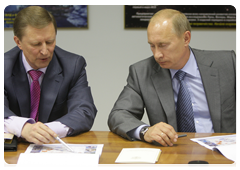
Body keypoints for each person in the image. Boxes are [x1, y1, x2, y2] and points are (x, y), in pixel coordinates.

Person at [108, 9, 238, 147]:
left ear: (186, 38)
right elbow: (119, 114)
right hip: (173, 152)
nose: (157, 54)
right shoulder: (142, 73)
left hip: (224, 150)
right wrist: (145, 131)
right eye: (152, 46)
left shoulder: (226, 64)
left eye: (163, 45)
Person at [4, 6, 97, 145]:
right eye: (36, 44)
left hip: (54, 147)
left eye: (50, 42)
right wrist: (23, 127)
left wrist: (44, 131)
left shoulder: (73, 65)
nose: (45, 51)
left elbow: (84, 111)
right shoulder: (3, 66)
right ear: (18, 42)